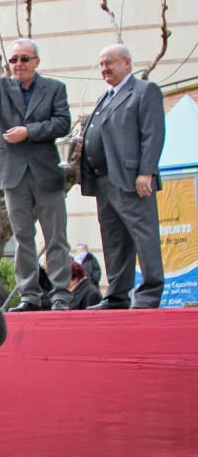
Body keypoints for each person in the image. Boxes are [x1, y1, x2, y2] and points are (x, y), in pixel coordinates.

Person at [0, 39, 73, 312]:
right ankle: (30, 295)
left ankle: (61, 293)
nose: (18, 65)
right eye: (13, 60)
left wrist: (29, 131)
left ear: (36, 61)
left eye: (24, 59)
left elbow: (62, 123)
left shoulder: (54, 89)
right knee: (23, 237)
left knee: (55, 237)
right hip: (13, 174)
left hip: (46, 173)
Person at [79, 44, 165, 310]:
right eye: (102, 64)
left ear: (127, 64)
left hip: (131, 179)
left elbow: (153, 134)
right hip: (103, 181)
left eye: (110, 63)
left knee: (143, 236)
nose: (105, 68)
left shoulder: (144, 91)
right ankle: (116, 296)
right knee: (114, 241)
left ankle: (149, 294)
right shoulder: (105, 97)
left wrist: (146, 173)